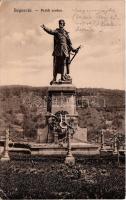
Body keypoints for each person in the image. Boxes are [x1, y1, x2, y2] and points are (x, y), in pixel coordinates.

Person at [41, 19, 78, 84]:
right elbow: (50, 31)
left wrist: (74, 49)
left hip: (64, 50)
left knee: (63, 64)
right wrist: (45, 28)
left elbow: (69, 43)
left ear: (64, 24)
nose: (60, 24)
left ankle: (62, 77)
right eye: (59, 23)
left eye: (61, 23)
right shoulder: (57, 31)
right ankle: (54, 78)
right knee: (56, 64)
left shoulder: (66, 33)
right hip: (58, 50)